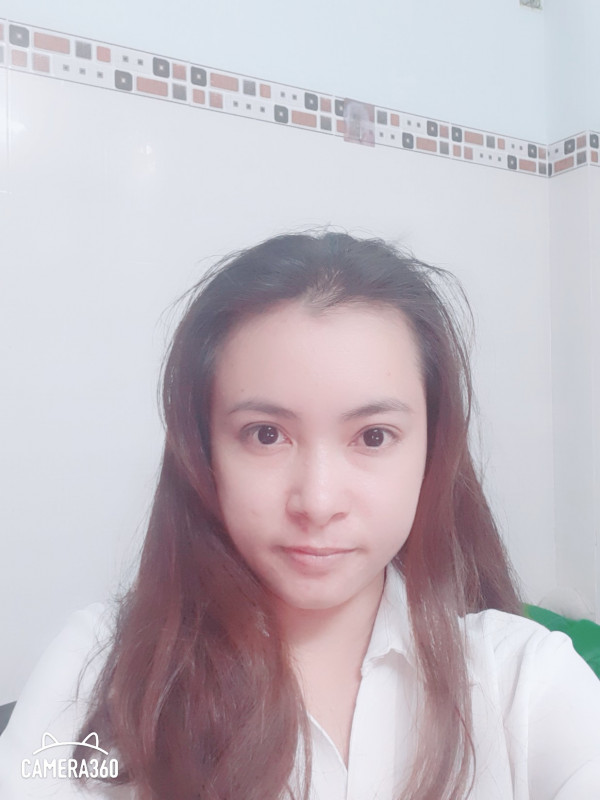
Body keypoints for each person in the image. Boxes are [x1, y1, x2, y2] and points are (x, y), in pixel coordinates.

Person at [1, 231, 600, 800]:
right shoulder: (97, 669)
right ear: (204, 451)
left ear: (432, 450)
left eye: (373, 436)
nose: (317, 501)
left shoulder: (524, 682)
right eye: (265, 434)